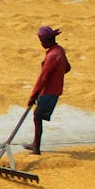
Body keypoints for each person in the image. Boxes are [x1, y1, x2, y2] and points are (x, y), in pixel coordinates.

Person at [23, 26, 71, 155]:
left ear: (46, 41)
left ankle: (36, 147)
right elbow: (67, 68)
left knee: (37, 117)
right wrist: (57, 77)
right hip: (55, 89)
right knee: (37, 116)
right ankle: (35, 144)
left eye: (42, 41)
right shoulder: (59, 50)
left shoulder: (52, 55)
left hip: (48, 91)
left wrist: (33, 95)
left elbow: (43, 77)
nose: (41, 44)